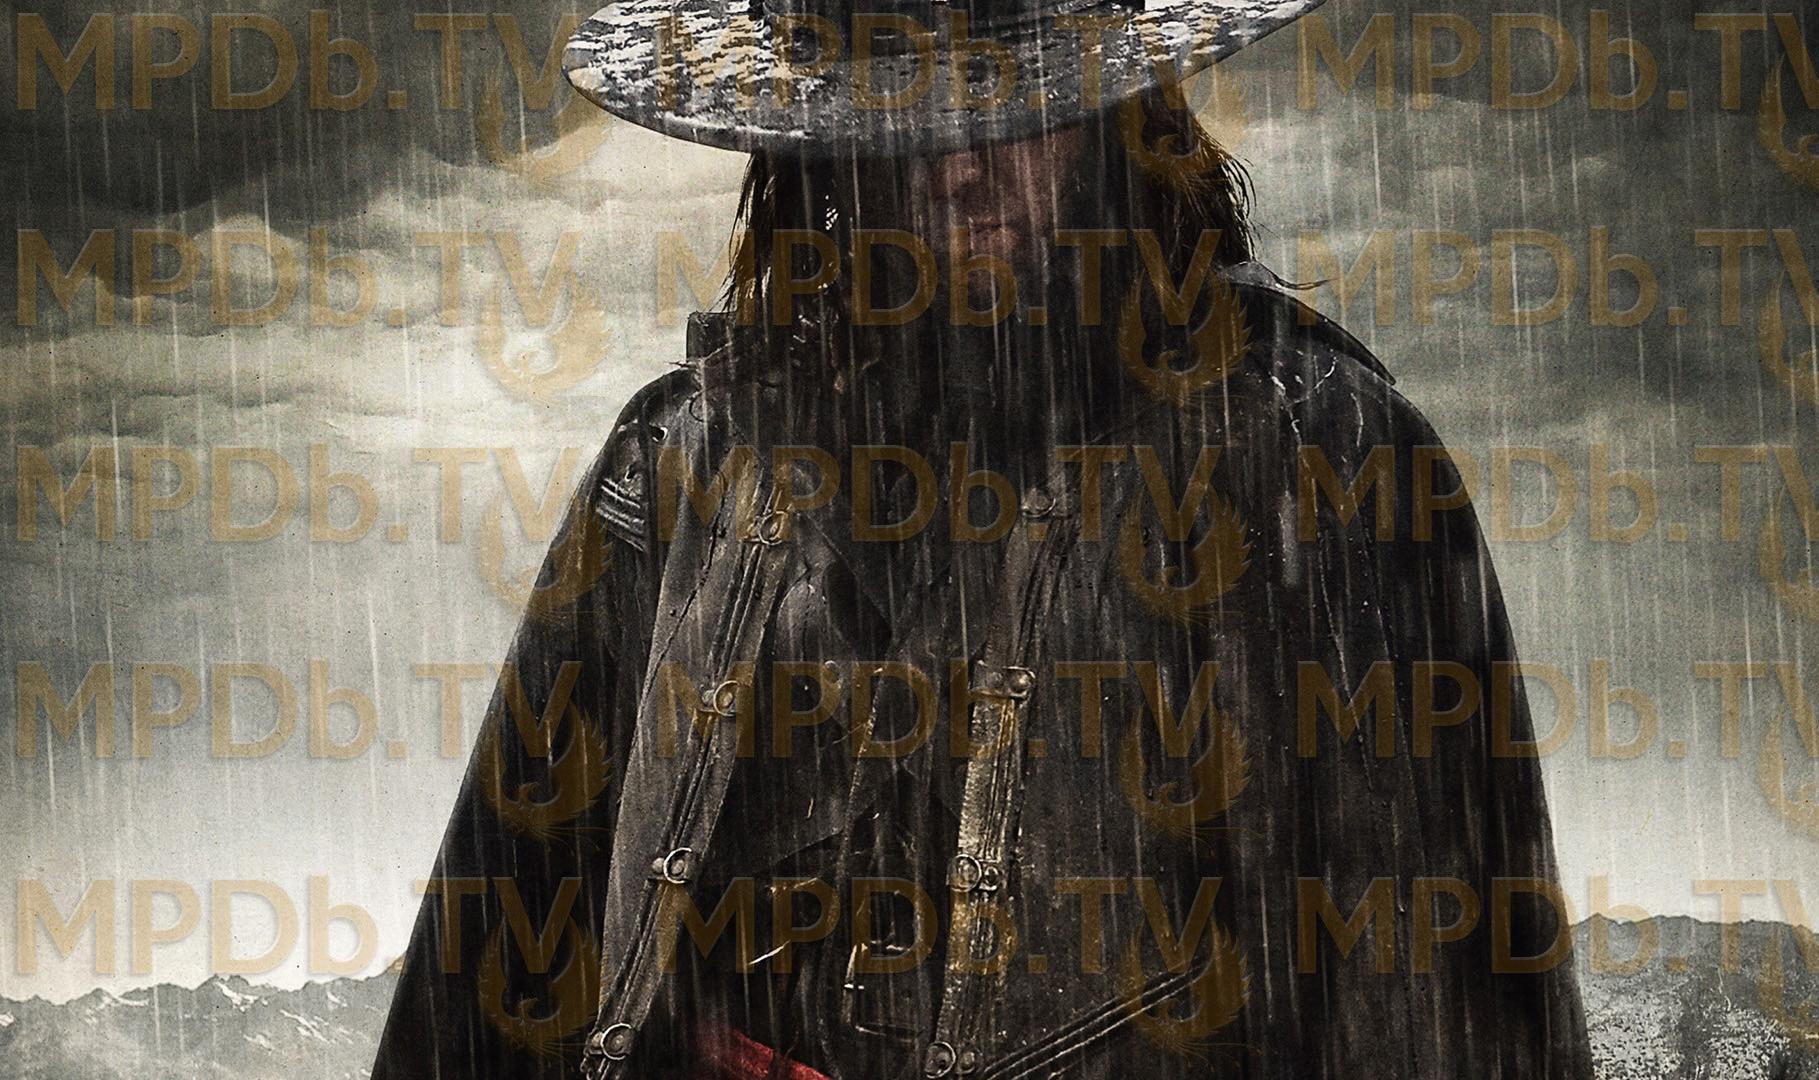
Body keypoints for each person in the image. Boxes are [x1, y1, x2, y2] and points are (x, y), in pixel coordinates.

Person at [372, 0, 1594, 1076]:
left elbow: (1441, 1009)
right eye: (902, 114)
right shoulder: (681, 466)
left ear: (1116, 112)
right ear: (822, 146)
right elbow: (490, 971)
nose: (959, 168)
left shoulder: (1316, 456)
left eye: (1007, 100)